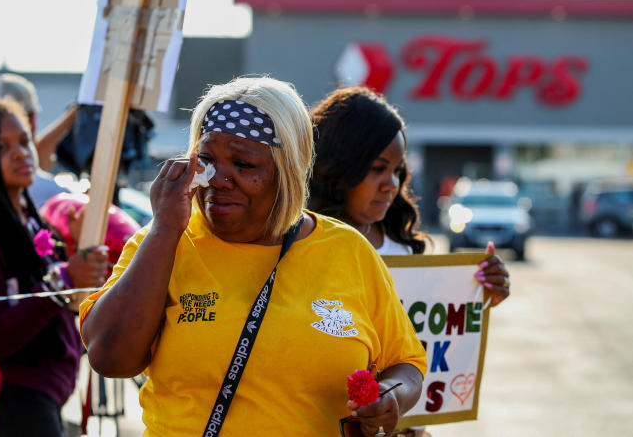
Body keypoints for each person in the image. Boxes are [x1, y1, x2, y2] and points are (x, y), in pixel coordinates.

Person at [80, 77, 428, 437]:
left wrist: (392, 397)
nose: (219, 179)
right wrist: (164, 230)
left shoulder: (349, 250)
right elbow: (109, 357)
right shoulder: (164, 242)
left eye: (243, 165)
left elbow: (406, 363)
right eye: (209, 160)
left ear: (289, 172)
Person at [309, 86, 511, 436]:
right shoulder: (296, 245)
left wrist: (475, 299)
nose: (391, 184)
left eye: (398, 171)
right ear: (338, 167)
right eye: (377, 168)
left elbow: (426, 347)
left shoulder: (403, 249)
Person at [0, 99, 108, 437]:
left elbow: (48, 301)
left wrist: (75, 260)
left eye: (24, 140)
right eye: (2, 147)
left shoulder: (29, 220)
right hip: (10, 401)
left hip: (42, 398)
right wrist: (62, 283)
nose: (20, 152)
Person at [0, 73, 77, 207]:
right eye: (2, 146)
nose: (20, 154)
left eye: (24, 143)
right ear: (33, 120)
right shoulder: (59, 198)